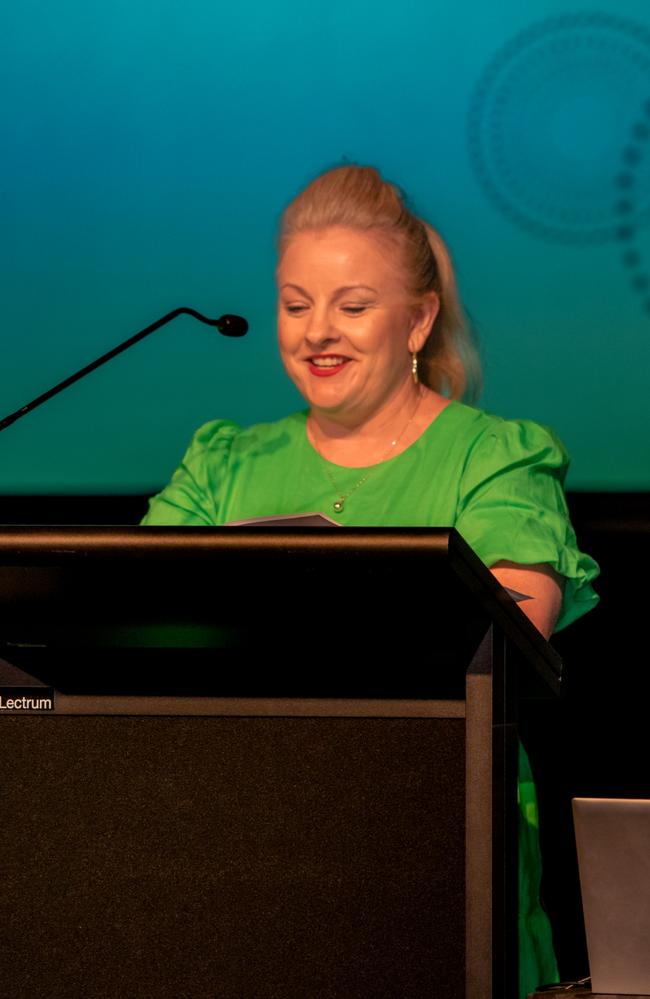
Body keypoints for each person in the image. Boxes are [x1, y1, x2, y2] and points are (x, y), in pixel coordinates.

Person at [141, 164, 599, 995]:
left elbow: (511, 632)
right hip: (229, 847)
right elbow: (129, 621)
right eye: (294, 304)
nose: (317, 331)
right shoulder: (223, 464)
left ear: (419, 319)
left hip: (428, 838)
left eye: (352, 306)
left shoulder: (494, 457)